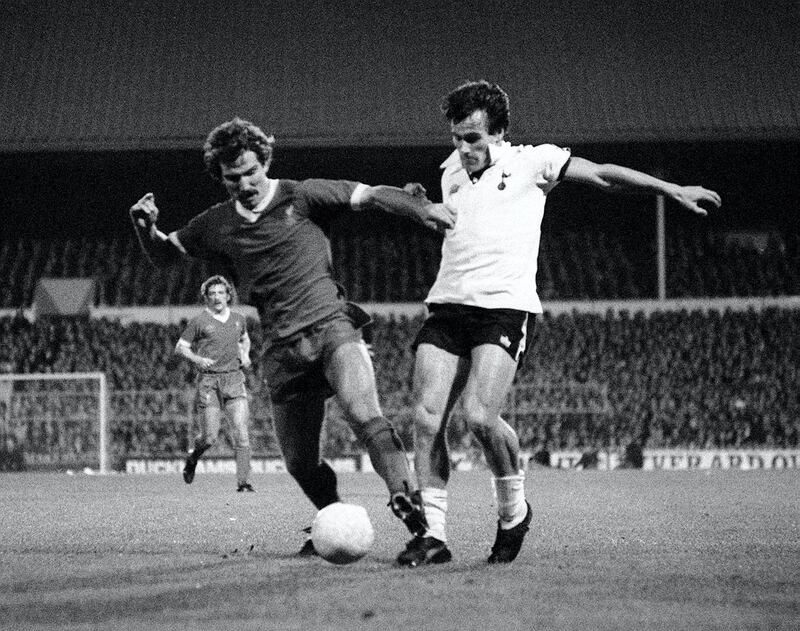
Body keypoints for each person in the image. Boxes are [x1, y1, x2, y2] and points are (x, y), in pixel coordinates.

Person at [398, 80, 722, 567]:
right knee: (426, 418)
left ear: (500, 133)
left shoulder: (534, 161)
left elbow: (603, 175)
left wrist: (668, 188)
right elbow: (451, 225)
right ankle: (433, 536)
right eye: (456, 138)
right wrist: (421, 206)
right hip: (448, 303)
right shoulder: (450, 172)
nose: (462, 149)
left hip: (504, 306)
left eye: (473, 139)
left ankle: (513, 512)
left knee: (481, 418)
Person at [130, 117, 455, 555]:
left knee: (365, 415)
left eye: (250, 171)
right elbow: (165, 256)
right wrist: (145, 229)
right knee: (300, 461)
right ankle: (334, 517)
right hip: (282, 350)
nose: (244, 183)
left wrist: (422, 209)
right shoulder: (216, 223)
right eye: (233, 177)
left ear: (265, 160)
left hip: (331, 328)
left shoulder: (302, 195)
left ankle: (410, 507)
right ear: (221, 178)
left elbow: (372, 195)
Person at [176, 275, 255, 492]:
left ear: (228, 295)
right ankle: (193, 457)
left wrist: (245, 355)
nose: (217, 297)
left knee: (241, 431)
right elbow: (180, 347)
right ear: (206, 298)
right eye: (212, 294)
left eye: (221, 293)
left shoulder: (239, 319)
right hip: (209, 382)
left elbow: (244, 339)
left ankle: (244, 482)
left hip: (234, 379)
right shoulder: (199, 322)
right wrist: (198, 359)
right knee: (209, 438)